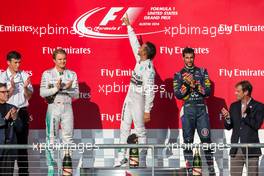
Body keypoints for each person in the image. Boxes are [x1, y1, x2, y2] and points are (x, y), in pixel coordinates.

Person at [115, 14, 156, 167]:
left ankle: (143, 160)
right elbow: (133, 43)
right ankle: (122, 156)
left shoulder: (149, 70)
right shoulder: (140, 60)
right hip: (130, 97)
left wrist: (147, 110)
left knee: (140, 130)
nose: (139, 48)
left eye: (142, 47)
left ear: (146, 52)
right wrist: (128, 26)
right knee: (124, 126)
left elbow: (150, 91)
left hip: (139, 100)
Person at [173, 47, 215, 175]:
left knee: (206, 140)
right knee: (187, 142)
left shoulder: (202, 72)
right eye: (187, 57)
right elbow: (178, 95)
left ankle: (211, 170)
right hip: (188, 109)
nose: (189, 60)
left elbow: (207, 92)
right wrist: (186, 84)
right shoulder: (178, 74)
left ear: (194, 57)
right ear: (183, 58)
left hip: (202, 108)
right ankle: (189, 171)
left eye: (191, 57)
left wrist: (195, 84)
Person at [40, 48, 79, 176]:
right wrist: (57, 88)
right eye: (60, 59)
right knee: (51, 138)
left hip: (67, 106)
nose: (63, 61)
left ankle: (66, 169)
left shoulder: (72, 74)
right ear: (54, 60)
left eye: (64, 59)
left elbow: (77, 94)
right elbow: (42, 93)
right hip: (53, 107)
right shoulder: (47, 73)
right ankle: (51, 169)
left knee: (68, 138)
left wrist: (67, 89)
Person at [0, 51, 33, 176]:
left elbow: (29, 96)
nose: (18, 65)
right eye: (15, 62)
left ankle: (24, 173)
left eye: (19, 62)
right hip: (5, 111)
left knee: (22, 146)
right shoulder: (2, 77)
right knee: (5, 144)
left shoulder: (24, 75)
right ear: (8, 62)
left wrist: (25, 88)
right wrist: (11, 89)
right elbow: (1, 97)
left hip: (21, 112)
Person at [222, 80, 264, 176]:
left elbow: (257, 125)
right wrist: (227, 118)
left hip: (252, 150)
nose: (235, 93)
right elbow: (229, 127)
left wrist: (245, 115)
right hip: (236, 150)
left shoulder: (259, 106)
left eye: (238, 91)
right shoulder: (234, 106)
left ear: (246, 92)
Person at [0, 83, 23, 175]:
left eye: (7, 91)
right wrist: (5, 118)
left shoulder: (12, 108)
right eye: (3, 92)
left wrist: (15, 118)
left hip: (9, 148)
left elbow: (20, 128)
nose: (6, 94)